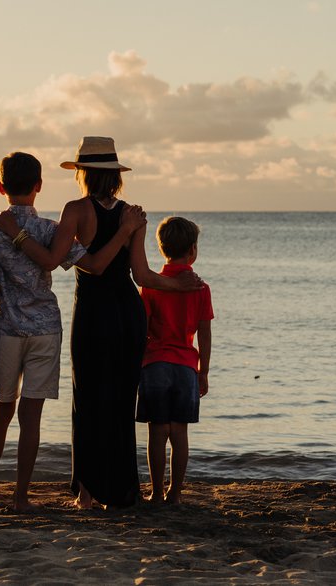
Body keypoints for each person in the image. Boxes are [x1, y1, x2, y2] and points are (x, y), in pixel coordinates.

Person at [0, 152, 143, 511]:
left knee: (2, 412)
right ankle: (20, 497)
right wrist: (125, 232)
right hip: (47, 329)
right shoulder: (50, 229)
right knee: (30, 416)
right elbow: (94, 265)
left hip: (9, 330)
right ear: (39, 186)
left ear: (1, 187)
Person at [0, 137, 201, 509]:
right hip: (127, 314)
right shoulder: (131, 214)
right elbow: (141, 275)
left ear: (83, 175)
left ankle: (88, 493)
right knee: (119, 403)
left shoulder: (75, 210)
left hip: (95, 313)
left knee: (89, 400)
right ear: (115, 178)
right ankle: (119, 491)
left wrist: (15, 233)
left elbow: (58, 260)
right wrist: (176, 283)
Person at [137, 216, 213, 504]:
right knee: (179, 431)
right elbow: (204, 333)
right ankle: (176, 493)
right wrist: (203, 372)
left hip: (155, 363)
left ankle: (156, 492)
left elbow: (142, 328)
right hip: (184, 366)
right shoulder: (200, 288)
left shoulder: (153, 285)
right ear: (192, 250)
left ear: (161, 249)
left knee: (157, 431)